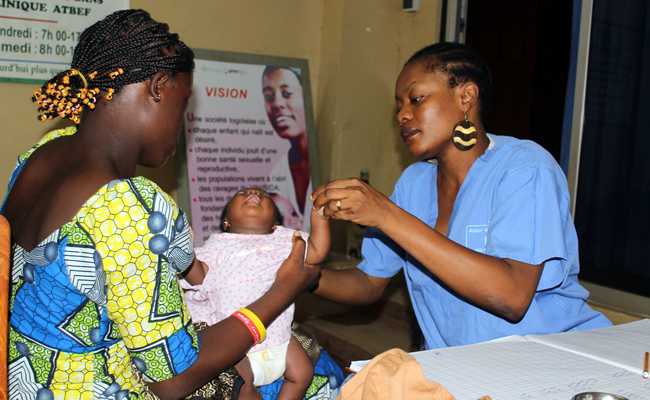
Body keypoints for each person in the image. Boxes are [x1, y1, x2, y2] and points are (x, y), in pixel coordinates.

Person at [1, 9, 320, 400]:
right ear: (158, 87)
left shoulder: (40, 154)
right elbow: (173, 380)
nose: (183, 124)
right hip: (94, 390)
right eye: (183, 104)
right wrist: (282, 291)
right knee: (313, 370)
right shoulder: (128, 205)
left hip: (25, 380)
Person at [310, 42, 612, 351]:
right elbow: (369, 283)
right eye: (398, 105)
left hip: (551, 364)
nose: (402, 114)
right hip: (458, 372)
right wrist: (299, 273)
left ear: (466, 96)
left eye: (416, 99)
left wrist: (387, 215)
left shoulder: (524, 167)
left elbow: (511, 297)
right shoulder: (414, 183)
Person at [181, 187, 331, 399]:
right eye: (241, 193)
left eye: (265, 195)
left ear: (274, 223)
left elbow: (317, 252)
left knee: (303, 373)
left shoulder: (286, 239)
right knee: (241, 383)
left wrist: (319, 217)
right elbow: (198, 278)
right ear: (226, 222)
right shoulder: (217, 245)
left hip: (279, 336)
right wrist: (185, 254)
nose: (253, 193)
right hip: (237, 342)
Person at [262, 67, 312, 232]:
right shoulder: (278, 172)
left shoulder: (326, 166)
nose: (277, 104)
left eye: (287, 93)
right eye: (269, 96)